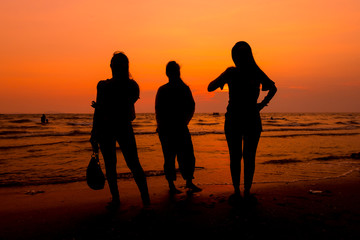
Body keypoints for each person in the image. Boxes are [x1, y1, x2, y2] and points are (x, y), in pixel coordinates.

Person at [208, 41, 277, 203]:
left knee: (237, 156)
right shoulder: (253, 71)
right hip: (248, 117)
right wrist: (261, 105)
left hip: (236, 118)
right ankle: (244, 190)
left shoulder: (233, 72)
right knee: (247, 156)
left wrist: (222, 80)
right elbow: (273, 88)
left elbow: (210, 87)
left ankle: (239, 190)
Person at [90, 52, 150, 209]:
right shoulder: (132, 86)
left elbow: (99, 113)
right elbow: (128, 112)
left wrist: (94, 133)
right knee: (134, 164)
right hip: (124, 127)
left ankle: (116, 199)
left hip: (106, 129)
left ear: (111, 66)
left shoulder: (103, 86)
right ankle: (146, 201)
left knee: (111, 165)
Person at [155, 61, 202, 194]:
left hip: (174, 128)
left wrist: (184, 121)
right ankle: (178, 184)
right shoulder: (173, 89)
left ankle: (183, 183)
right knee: (176, 157)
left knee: (182, 156)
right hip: (173, 128)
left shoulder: (178, 88)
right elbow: (159, 110)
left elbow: (158, 110)